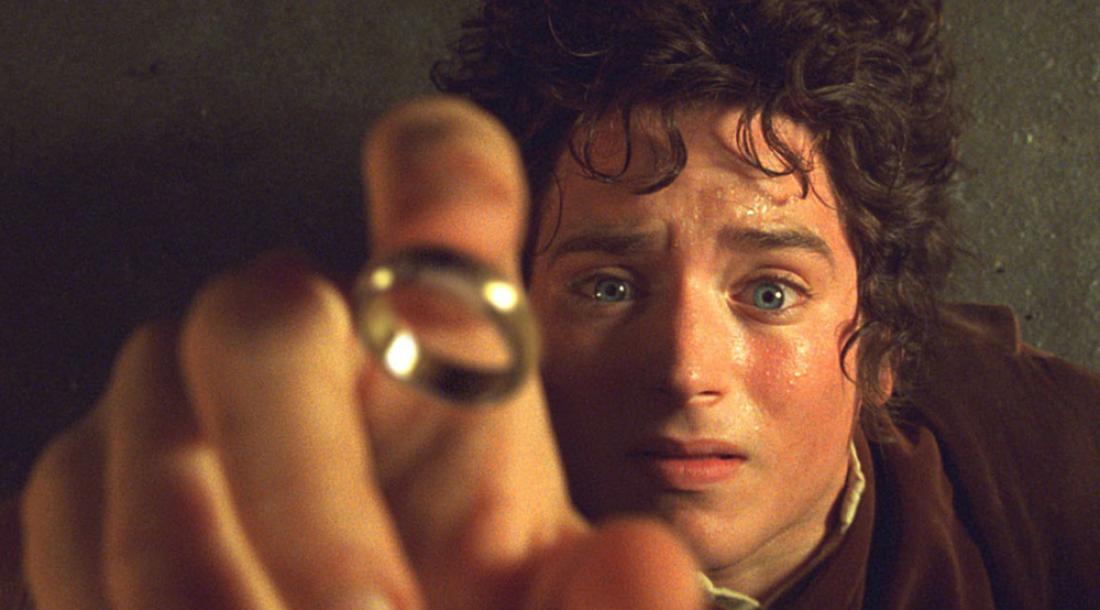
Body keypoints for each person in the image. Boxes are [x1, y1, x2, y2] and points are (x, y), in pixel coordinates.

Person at [6, 0, 1100, 609]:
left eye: (769, 291)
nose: (683, 368)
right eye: (607, 285)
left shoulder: (1046, 478)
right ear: (513, 310)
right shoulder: (368, 510)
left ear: (888, 346)